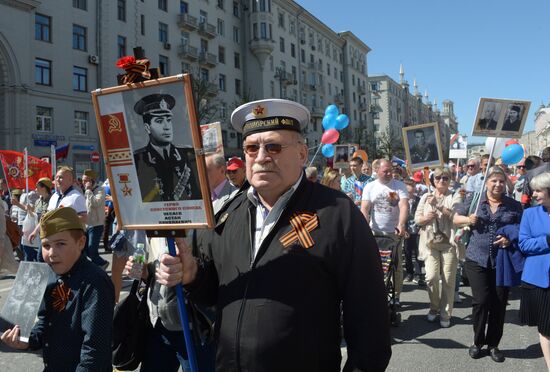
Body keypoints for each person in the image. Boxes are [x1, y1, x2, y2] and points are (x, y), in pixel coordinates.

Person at [156, 98, 392, 371]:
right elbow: (216, 294)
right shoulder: (226, 215)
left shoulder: (338, 214)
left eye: (274, 146)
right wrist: (192, 275)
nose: (261, 157)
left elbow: (369, 322)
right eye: (251, 148)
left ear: (302, 154)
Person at [0, 207, 114, 371]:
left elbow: (95, 349)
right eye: (46, 245)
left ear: (80, 242)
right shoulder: (51, 274)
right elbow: (44, 323)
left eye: (61, 244)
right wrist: (26, 340)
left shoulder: (95, 283)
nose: (52, 253)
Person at [454, 166, 523, 362]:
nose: (498, 184)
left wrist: (510, 239)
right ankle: (477, 342)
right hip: (477, 258)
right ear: (486, 182)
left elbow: (522, 227)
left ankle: (493, 344)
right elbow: (455, 217)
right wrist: (468, 218)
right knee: (481, 301)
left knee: (499, 303)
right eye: (494, 181)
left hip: (502, 260)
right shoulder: (475, 200)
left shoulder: (513, 205)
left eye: (501, 181)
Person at [133, 93, 200, 202]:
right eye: (159, 121)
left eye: (168, 120)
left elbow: (197, 193)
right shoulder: (138, 159)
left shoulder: (187, 154)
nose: (167, 127)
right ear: (147, 128)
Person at [361, 158, 409, 305]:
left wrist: (401, 224)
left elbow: (404, 206)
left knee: (396, 265)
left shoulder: (398, 186)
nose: (389, 173)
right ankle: (375, 292)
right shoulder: (370, 187)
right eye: (385, 171)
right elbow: (365, 208)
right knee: (375, 265)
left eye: (390, 171)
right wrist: (365, 226)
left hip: (394, 233)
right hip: (375, 232)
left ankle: (396, 295)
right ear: (377, 171)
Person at [415, 167, 459, 328]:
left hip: (449, 244)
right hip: (430, 243)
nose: (441, 180)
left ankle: (445, 313)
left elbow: (456, 216)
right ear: (433, 180)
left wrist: (439, 206)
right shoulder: (426, 196)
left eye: (445, 178)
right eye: (438, 177)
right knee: (431, 277)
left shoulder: (455, 195)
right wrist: (426, 218)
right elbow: (417, 219)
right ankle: (434, 307)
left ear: (450, 180)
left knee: (448, 280)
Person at [518, 172, 550, 371]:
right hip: (539, 279)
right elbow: (524, 244)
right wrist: (546, 241)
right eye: (534, 190)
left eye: (539, 190)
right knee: (547, 328)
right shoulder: (530, 214)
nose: (534, 194)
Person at [29, 166, 88, 244]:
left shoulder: (77, 197)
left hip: (69, 240)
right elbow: (46, 217)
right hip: (52, 236)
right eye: (56, 177)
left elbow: (85, 218)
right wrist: (35, 231)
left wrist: (63, 218)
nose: (57, 180)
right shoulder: (54, 196)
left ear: (70, 180)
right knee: (41, 256)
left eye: (60, 177)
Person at [82, 169, 108, 270]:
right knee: (86, 249)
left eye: (85, 181)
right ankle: (98, 265)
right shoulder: (87, 191)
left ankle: (102, 264)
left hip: (96, 225)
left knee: (92, 250)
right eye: (83, 181)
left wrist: (88, 191)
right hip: (87, 224)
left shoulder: (100, 190)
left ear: (91, 181)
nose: (83, 183)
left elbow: (96, 203)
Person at [403, 178, 424, 286]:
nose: (410, 189)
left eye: (412, 187)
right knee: (407, 252)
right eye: (408, 187)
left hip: (417, 229)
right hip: (407, 230)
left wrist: (422, 227)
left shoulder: (419, 200)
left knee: (418, 252)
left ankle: (418, 273)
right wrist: (404, 228)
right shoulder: (403, 200)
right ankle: (409, 272)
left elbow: (423, 213)